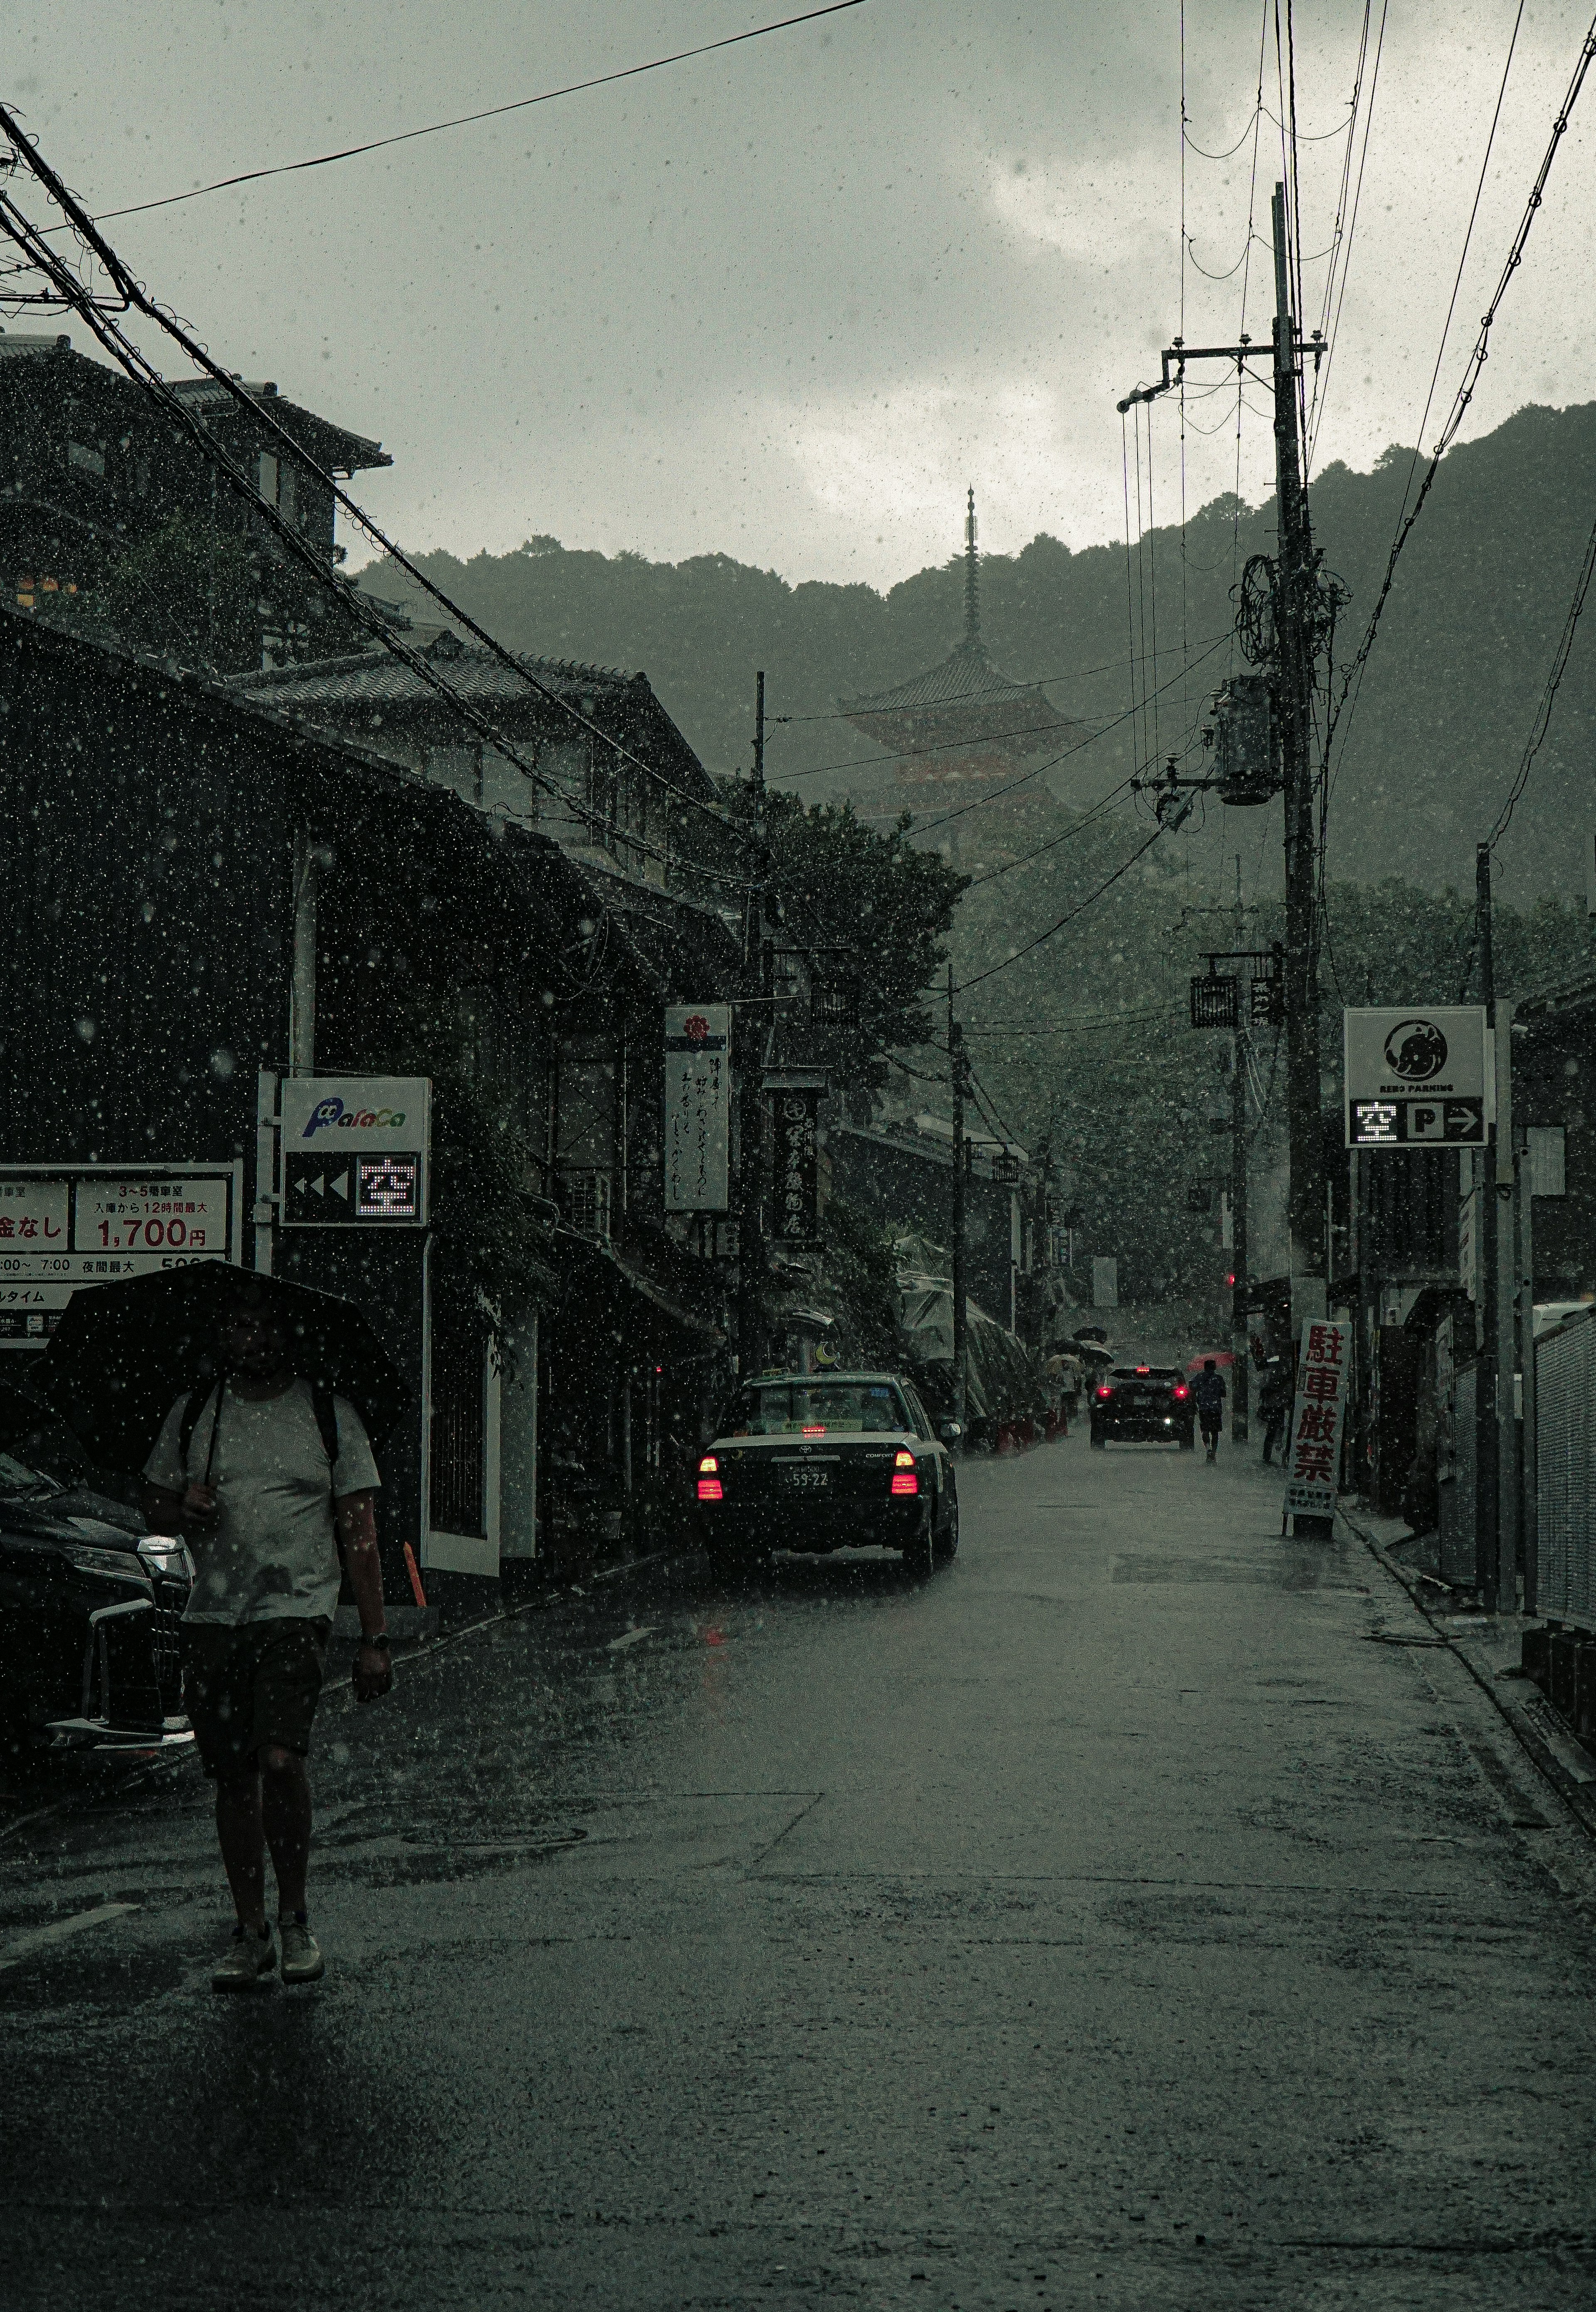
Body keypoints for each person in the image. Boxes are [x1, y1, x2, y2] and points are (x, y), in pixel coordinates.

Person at [141, 1279, 390, 1992]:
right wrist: (180, 1503)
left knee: (281, 1759)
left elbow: (361, 1532)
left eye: (264, 1325)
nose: (253, 1338)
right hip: (214, 1616)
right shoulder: (196, 1414)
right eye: (239, 1325)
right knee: (232, 1779)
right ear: (223, 1334)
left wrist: (374, 1636)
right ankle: (248, 1930)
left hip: (296, 1611)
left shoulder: (327, 1415)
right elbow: (153, 1503)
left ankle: (295, 1917)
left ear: (287, 1335)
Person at [1192, 1358, 1227, 1463]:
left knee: (1205, 1430)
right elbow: (1224, 1394)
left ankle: (1208, 1449)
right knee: (1215, 1432)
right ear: (1214, 1367)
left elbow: (1194, 1388)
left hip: (1204, 1408)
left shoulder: (1199, 1378)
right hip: (1216, 1408)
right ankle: (1214, 1453)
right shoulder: (1219, 1379)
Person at [1259, 1358, 1291, 1465]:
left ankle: (1271, 1456)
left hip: (1276, 1408)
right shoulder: (1275, 1381)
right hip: (1276, 1408)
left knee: (1274, 1432)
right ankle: (1273, 1456)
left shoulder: (1270, 1380)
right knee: (1276, 1432)